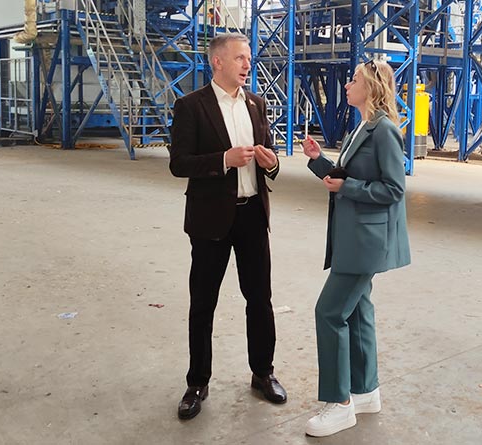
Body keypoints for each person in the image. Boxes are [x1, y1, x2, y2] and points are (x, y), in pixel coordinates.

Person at [169, 32, 287, 421]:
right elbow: (178, 163)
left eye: (248, 58)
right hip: (210, 219)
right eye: (240, 58)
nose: (247, 65)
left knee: (260, 299)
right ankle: (197, 383)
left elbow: (270, 157)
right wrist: (224, 159)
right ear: (217, 62)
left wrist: (270, 162)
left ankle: (263, 373)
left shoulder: (256, 104)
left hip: (252, 214)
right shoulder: (191, 106)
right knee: (203, 303)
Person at [300, 59, 411, 437]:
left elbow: (394, 189)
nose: (347, 85)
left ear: (372, 87)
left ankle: (340, 403)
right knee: (359, 311)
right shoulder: (361, 127)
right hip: (353, 237)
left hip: (367, 242)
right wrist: (319, 162)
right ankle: (366, 391)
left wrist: (347, 188)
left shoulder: (385, 131)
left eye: (354, 80)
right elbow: (345, 176)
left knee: (329, 312)